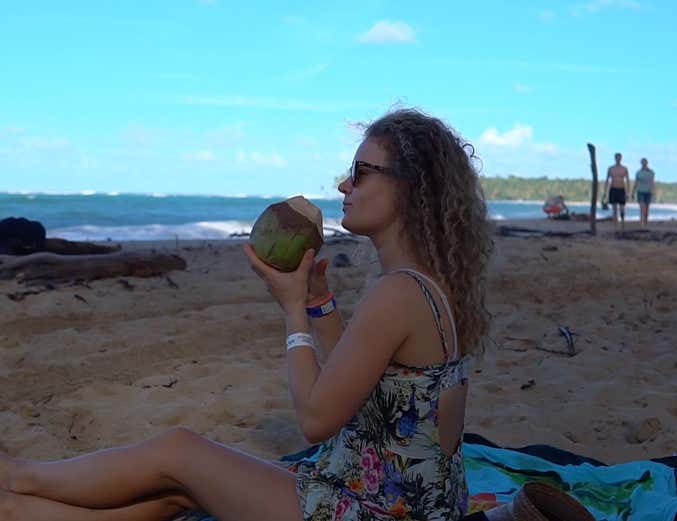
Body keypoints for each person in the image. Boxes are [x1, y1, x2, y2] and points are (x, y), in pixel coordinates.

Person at [0, 108, 494, 521]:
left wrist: (291, 313)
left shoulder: (397, 292)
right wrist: (316, 301)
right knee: (180, 490)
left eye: (361, 172)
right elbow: (362, 386)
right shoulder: (422, 285)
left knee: (178, 450)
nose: (345, 183)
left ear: (411, 187)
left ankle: (19, 476)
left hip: (377, 510)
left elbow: (317, 418)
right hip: (406, 503)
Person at [602, 153, 630, 230]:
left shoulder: (624, 169)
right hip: (613, 189)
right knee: (614, 209)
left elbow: (627, 181)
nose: (618, 159)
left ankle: (623, 223)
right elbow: (607, 180)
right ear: (615, 158)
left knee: (622, 208)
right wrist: (605, 191)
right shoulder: (611, 168)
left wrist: (628, 192)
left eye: (619, 157)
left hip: (621, 189)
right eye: (617, 157)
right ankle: (615, 226)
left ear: (621, 158)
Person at [631, 158, 655, 228]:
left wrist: (653, 192)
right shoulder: (638, 173)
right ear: (641, 163)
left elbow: (652, 182)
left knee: (647, 209)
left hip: (648, 192)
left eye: (645, 162)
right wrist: (633, 192)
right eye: (642, 163)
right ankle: (642, 224)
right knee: (642, 208)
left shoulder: (651, 173)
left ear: (647, 163)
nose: (644, 164)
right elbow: (636, 182)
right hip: (640, 192)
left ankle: (646, 222)